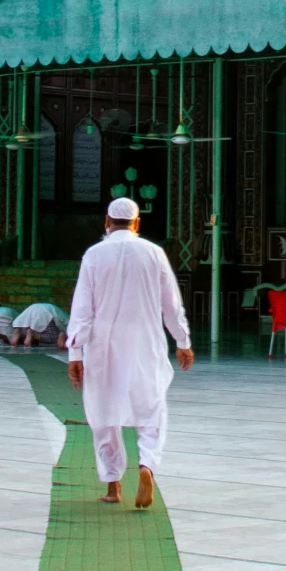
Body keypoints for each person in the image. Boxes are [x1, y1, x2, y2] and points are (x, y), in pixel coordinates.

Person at [65, 198, 192, 510]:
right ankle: (146, 466)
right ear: (137, 223)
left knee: (104, 412)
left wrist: (75, 354)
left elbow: (81, 309)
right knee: (151, 408)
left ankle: (112, 484)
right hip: (145, 344)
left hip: (103, 346)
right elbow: (171, 306)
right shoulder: (154, 253)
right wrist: (182, 340)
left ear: (106, 221)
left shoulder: (94, 255)